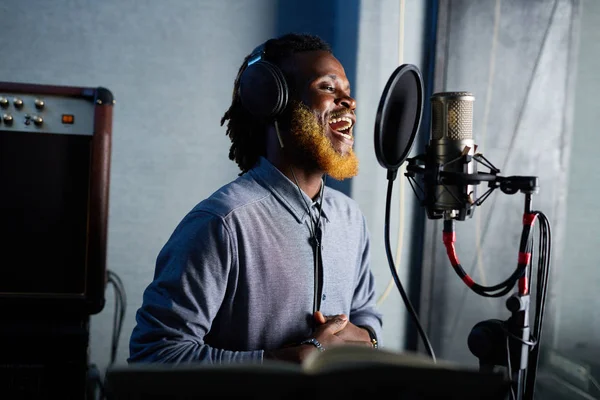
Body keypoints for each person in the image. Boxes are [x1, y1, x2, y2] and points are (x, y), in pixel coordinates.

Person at [128, 32, 382, 365]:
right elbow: (155, 355)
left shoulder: (350, 218)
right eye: (327, 87)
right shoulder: (221, 224)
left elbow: (366, 319)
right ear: (272, 102)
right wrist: (287, 361)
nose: (349, 102)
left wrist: (366, 340)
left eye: (347, 93)